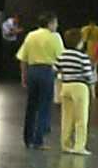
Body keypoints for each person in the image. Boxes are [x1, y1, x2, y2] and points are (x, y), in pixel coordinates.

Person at [15, 12, 63, 151]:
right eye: (55, 23)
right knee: (44, 107)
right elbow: (61, 57)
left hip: (32, 71)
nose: (57, 26)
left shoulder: (31, 35)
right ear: (49, 24)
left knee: (31, 106)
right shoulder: (55, 37)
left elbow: (23, 58)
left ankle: (27, 138)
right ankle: (38, 140)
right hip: (47, 72)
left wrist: (23, 75)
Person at [54, 28, 96, 155]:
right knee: (81, 118)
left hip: (65, 86)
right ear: (79, 42)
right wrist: (93, 90)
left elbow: (55, 69)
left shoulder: (62, 55)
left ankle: (65, 144)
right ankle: (79, 146)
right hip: (80, 87)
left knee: (66, 118)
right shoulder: (83, 57)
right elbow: (89, 75)